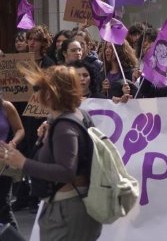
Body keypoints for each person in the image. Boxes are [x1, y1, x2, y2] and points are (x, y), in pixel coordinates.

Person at [4, 65, 101, 240]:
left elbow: (66, 171)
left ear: (50, 93)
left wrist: (22, 162)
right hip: (69, 207)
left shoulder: (65, 126)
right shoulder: (76, 117)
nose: (35, 95)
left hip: (67, 211)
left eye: (38, 89)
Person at [0, 94, 24, 230]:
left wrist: (13, 142)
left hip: (2, 162)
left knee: (3, 207)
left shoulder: (6, 106)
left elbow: (20, 129)